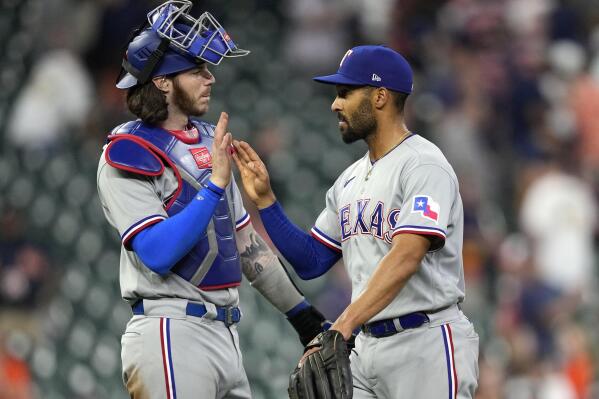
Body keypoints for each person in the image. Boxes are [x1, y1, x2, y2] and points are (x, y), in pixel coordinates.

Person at [96, 2, 328, 398]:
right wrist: (215, 186)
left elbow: (245, 244)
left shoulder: (206, 141)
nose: (210, 78)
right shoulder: (126, 153)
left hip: (225, 332)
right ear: (163, 82)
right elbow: (156, 252)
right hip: (170, 333)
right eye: (196, 70)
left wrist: (304, 318)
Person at [233, 45, 480, 398]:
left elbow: (407, 255)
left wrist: (344, 324)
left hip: (426, 343)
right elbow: (311, 260)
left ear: (380, 97)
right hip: (366, 348)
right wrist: (266, 202)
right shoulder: (348, 180)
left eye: (345, 93)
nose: (335, 104)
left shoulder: (424, 164)